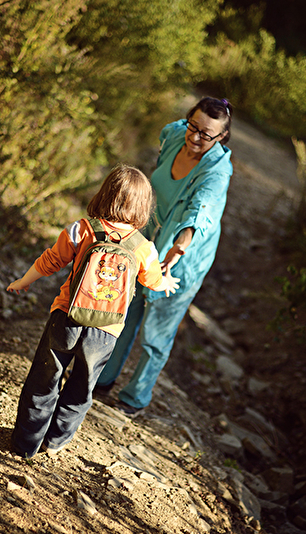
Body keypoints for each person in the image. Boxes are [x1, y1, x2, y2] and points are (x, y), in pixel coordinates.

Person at [6, 164, 180, 458]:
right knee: (81, 387)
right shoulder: (144, 247)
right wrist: (166, 282)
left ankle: (25, 444)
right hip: (106, 331)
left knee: (43, 380)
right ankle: (55, 441)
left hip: (67, 317)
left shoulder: (82, 229)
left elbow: (51, 260)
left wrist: (24, 281)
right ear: (144, 206)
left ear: (105, 194)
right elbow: (152, 281)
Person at [95, 96, 233, 414]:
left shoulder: (217, 173)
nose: (195, 137)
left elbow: (201, 212)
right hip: (147, 240)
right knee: (124, 309)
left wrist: (178, 249)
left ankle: (135, 398)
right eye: (193, 126)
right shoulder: (174, 135)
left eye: (206, 134)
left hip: (184, 256)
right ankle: (102, 378)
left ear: (222, 136)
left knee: (157, 330)